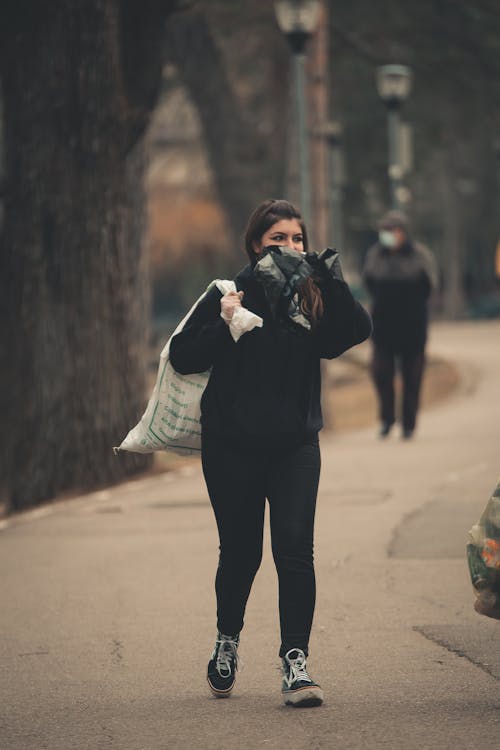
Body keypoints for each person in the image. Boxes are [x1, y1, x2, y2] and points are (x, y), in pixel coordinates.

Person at [169, 199, 372, 707]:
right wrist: (227, 320)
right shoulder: (228, 293)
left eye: (297, 239)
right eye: (277, 238)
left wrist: (334, 285)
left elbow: (352, 334)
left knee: (295, 550)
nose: (289, 247)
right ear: (255, 243)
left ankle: (296, 664)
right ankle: (227, 642)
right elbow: (183, 354)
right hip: (232, 445)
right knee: (241, 553)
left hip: (294, 444)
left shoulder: (311, 298)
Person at [362, 210, 438, 440]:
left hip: (413, 326)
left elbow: (430, 286)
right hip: (383, 325)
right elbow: (369, 283)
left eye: (391, 230)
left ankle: (409, 424)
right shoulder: (376, 254)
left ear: (403, 232)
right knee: (381, 374)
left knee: (412, 377)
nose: (387, 235)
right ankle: (386, 419)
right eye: (384, 231)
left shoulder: (420, 255)